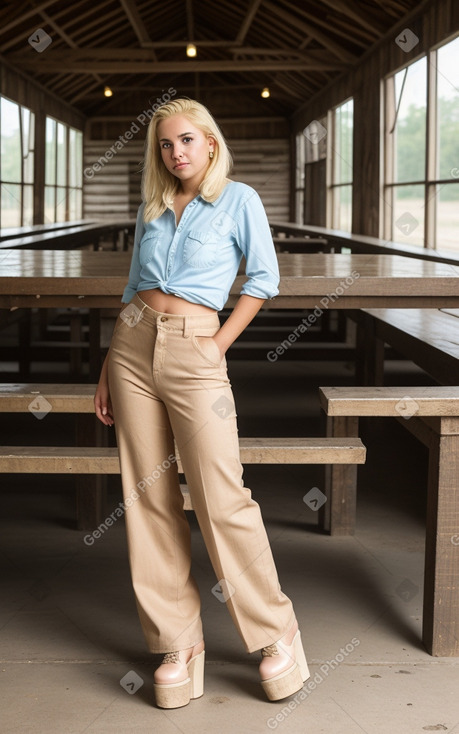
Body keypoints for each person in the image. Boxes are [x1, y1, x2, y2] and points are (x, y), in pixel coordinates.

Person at [94, 97, 310, 709]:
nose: (176, 152)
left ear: (210, 142)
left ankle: (274, 632)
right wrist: (110, 363)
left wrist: (218, 343)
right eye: (165, 144)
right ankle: (178, 644)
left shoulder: (238, 199)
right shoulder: (153, 206)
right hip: (133, 346)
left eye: (186, 140)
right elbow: (134, 288)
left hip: (196, 349)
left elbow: (263, 279)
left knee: (222, 493)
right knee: (147, 494)